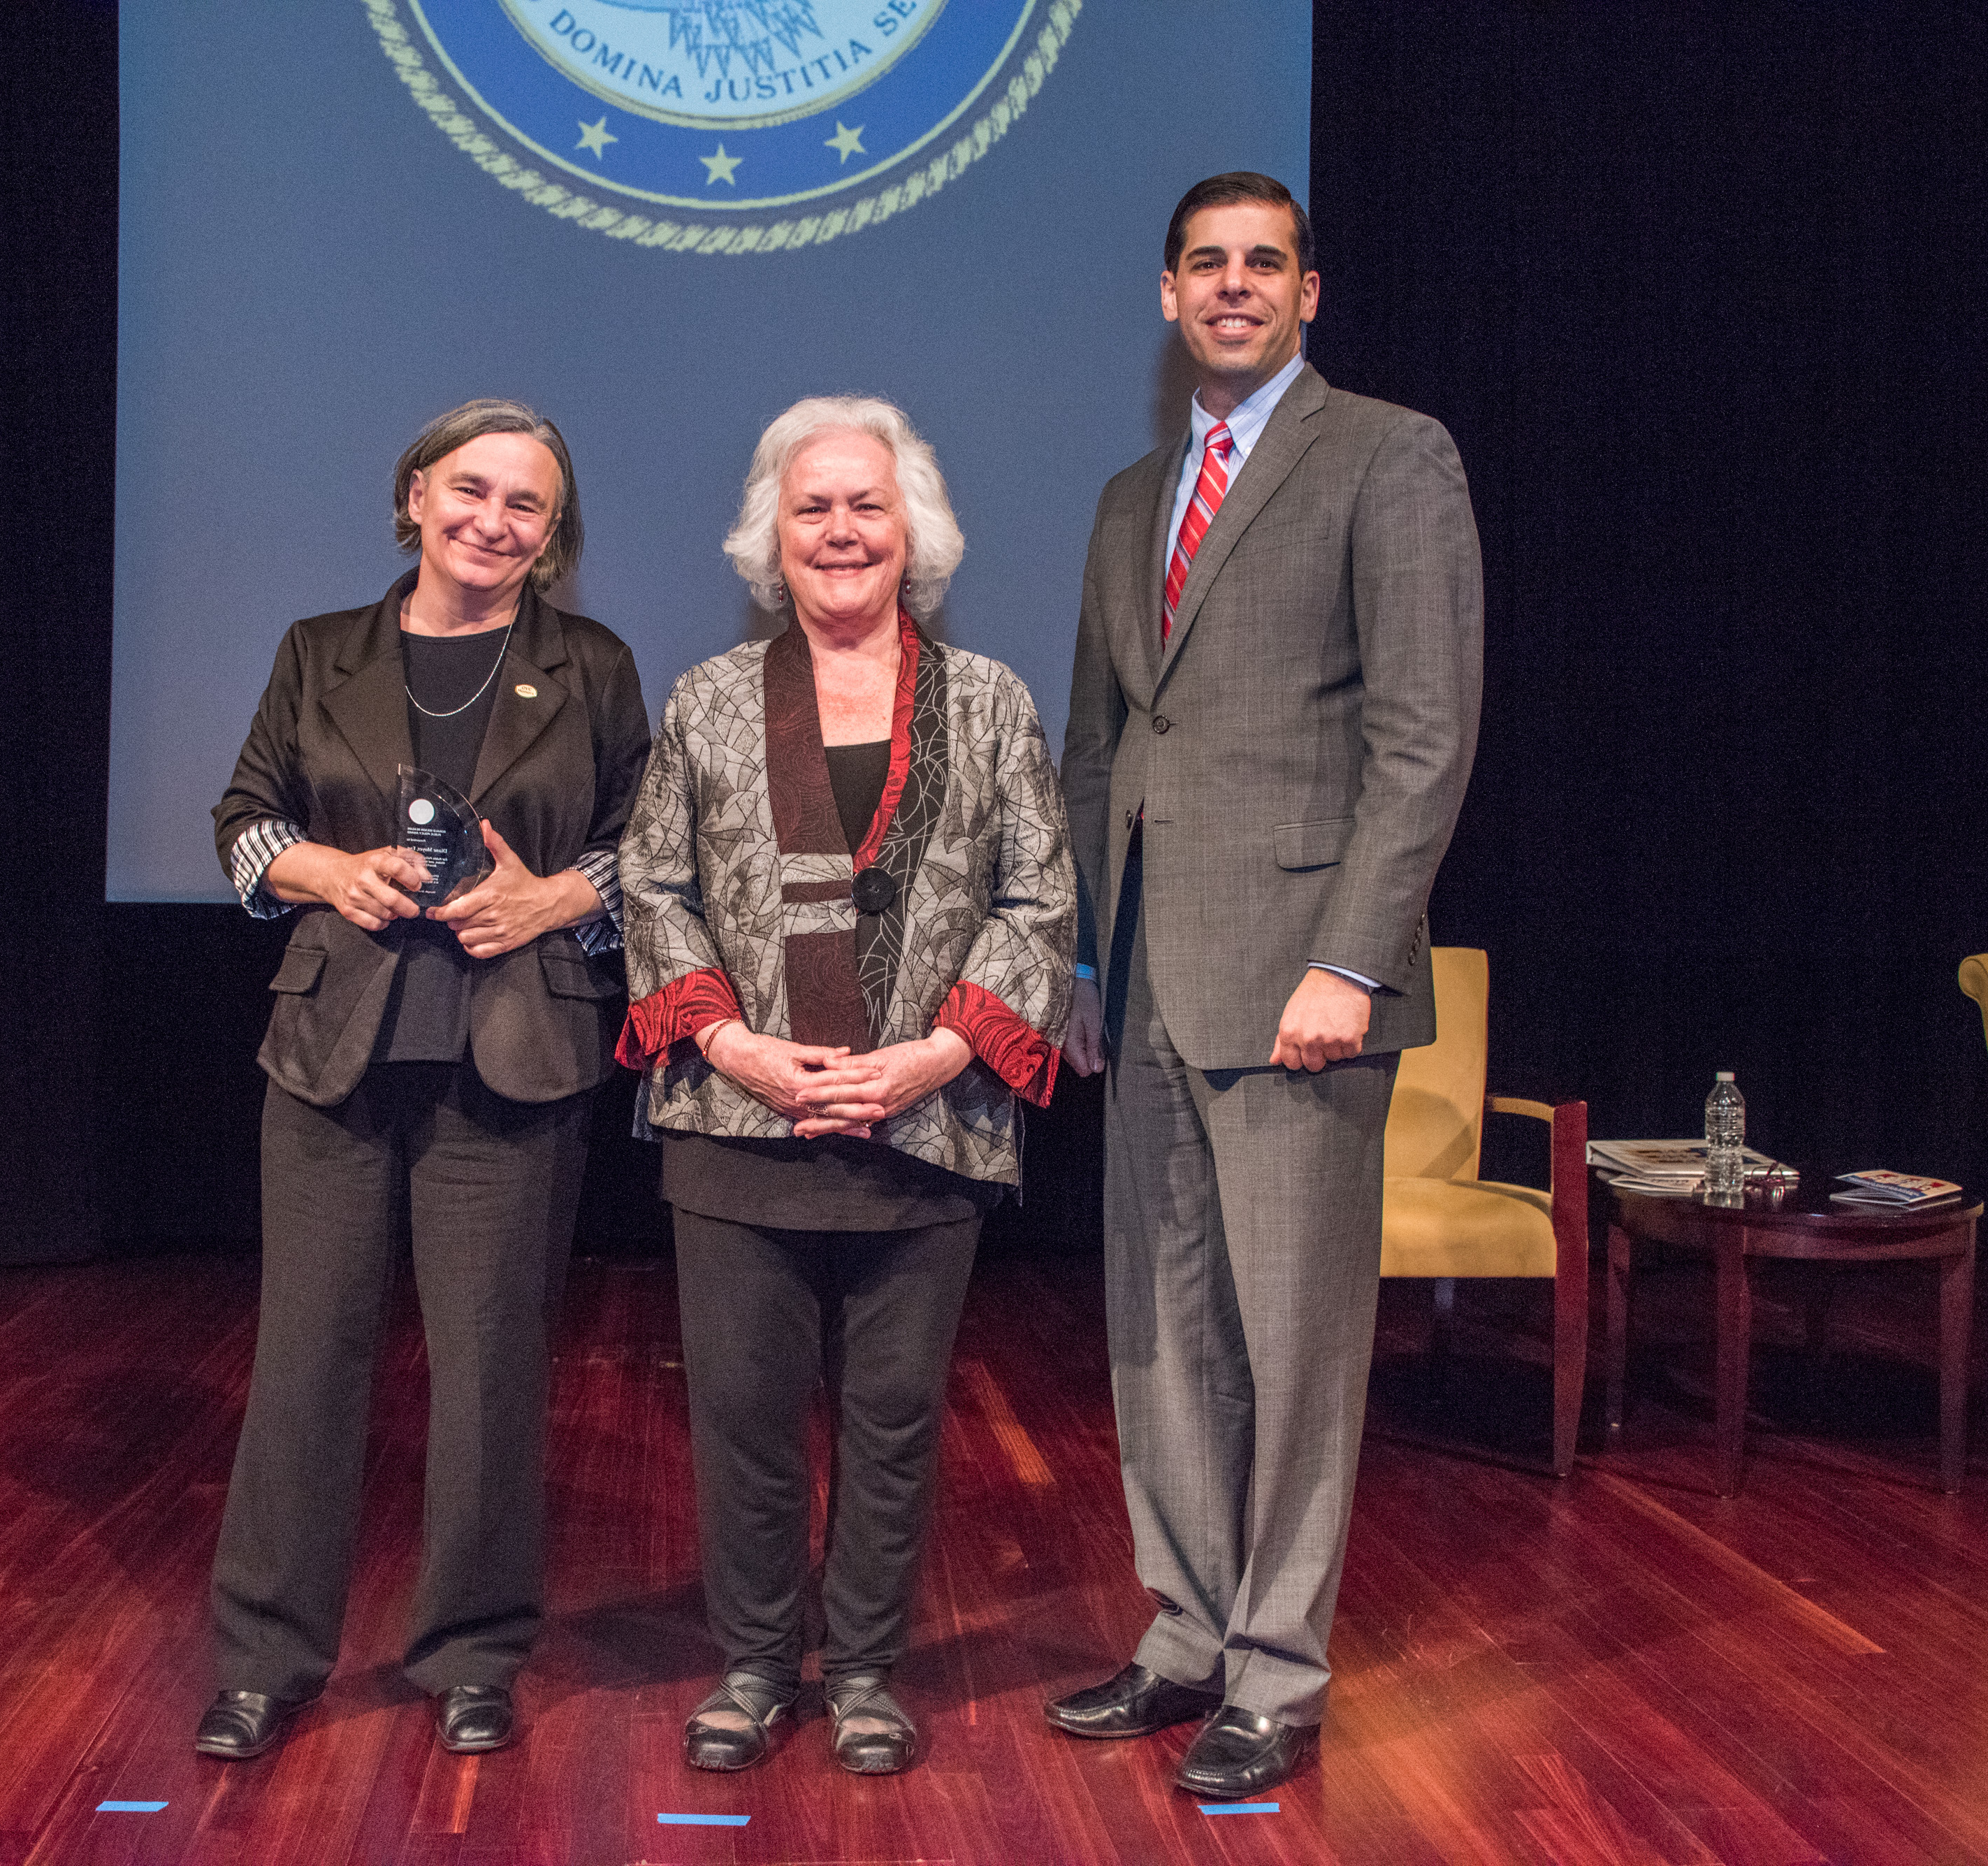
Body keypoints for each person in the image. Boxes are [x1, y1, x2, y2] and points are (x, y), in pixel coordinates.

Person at [1045, 173, 1483, 1800]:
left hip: (1304, 985)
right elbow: (1099, 745)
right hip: (1146, 976)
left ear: (1307, 293)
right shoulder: (1125, 498)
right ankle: (1183, 1634)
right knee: (1159, 1336)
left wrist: (1349, 960)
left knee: (1293, 1346)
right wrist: (1083, 953)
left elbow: (1421, 738)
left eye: (1263, 263)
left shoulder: (1387, 455)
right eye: (1203, 264)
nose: (1232, 285)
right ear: (1166, 296)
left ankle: (1277, 1671)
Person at [616, 396, 1075, 1777]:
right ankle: (757, 1666)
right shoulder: (706, 699)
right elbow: (654, 884)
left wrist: (938, 1053)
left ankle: (866, 1671)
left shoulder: (989, 700)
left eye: (865, 504)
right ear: (773, 537)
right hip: (737, 1126)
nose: (839, 530)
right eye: (810, 506)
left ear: (911, 531)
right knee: (744, 1424)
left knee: (893, 1426)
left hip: (927, 1125)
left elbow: (1038, 896)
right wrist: (733, 1047)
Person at [197, 398, 651, 1763]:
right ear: (414, 495)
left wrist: (553, 898)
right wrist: (328, 871)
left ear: (550, 537)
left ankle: (473, 1652)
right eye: (469, 490)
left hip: (513, 1054)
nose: (491, 521)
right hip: (331, 1053)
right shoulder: (317, 650)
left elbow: (650, 843)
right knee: (304, 1362)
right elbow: (243, 822)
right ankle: (266, 1656)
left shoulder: (592, 664)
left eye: (525, 505)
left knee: (492, 1368)